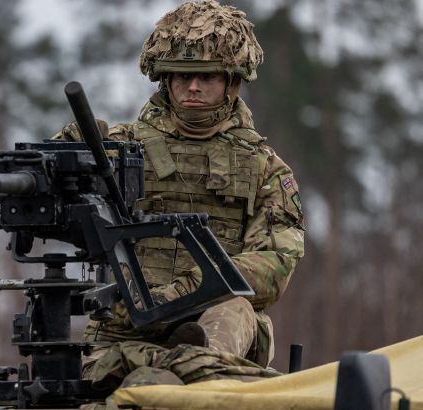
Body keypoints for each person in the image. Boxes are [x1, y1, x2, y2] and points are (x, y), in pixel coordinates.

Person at [55, 0, 305, 388]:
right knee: (138, 385)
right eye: (181, 76)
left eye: (207, 77)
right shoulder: (120, 150)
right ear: (165, 79)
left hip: (217, 326)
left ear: (231, 82)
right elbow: (58, 202)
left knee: (233, 307)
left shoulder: (264, 168)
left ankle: (192, 369)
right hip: (125, 331)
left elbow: (275, 263)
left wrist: (188, 290)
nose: (192, 87)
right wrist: (66, 157)